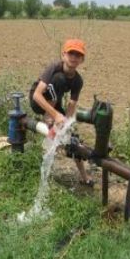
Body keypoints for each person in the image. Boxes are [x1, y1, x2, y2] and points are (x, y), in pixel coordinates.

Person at [29, 38, 94, 187]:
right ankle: (48, 118)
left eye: (78, 55)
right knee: (59, 79)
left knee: (72, 137)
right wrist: (55, 115)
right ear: (63, 55)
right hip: (39, 101)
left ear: (82, 60)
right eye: (71, 53)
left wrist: (68, 124)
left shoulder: (78, 81)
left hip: (55, 102)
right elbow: (36, 95)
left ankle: (84, 176)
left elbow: (72, 105)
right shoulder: (54, 68)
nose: (73, 57)